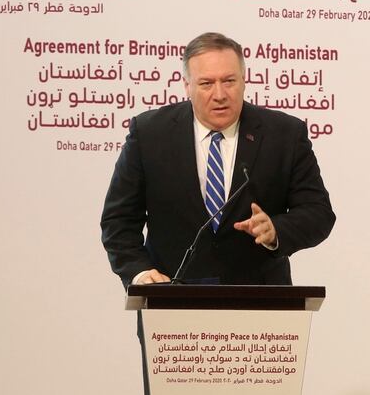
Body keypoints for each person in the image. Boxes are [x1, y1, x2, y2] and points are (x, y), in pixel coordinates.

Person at [100, 32, 335, 392]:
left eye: (229, 81)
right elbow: (118, 221)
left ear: (245, 80)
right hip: (175, 318)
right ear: (186, 85)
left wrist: (277, 230)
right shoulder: (150, 133)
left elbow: (319, 212)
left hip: (262, 317)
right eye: (206, 83)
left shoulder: (284, 134)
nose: (220, 94)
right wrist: (140, 272)